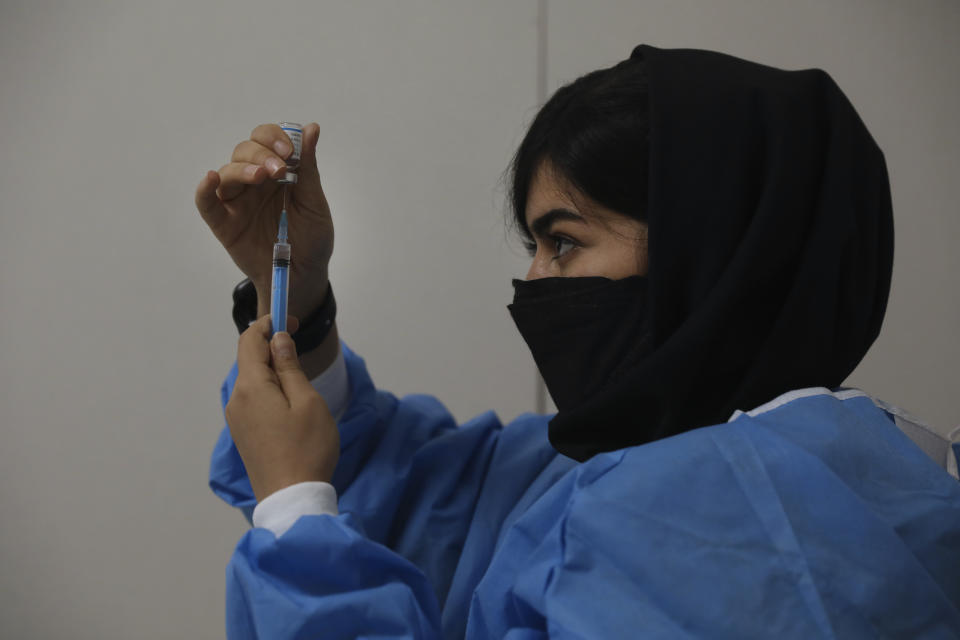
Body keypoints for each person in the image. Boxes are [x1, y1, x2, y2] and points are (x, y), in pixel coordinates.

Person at [196, 45, 960, 639]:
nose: (534, 284)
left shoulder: (731, 525)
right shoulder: (630, 470)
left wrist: (296, 507)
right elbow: (424, 503)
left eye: (562, 243)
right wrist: (294, 288)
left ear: (713, 253)